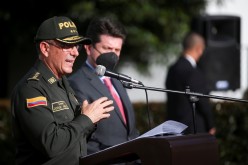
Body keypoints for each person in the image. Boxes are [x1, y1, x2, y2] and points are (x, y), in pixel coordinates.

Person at [11, 16, 114, 165]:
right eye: (67, 46)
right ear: (45, 48)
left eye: (76, 46)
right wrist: (86, 119)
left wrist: (91, 121)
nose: (75, 53)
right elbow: (52, 144)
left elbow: (72, 139)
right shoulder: (31, 89)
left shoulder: (62, 82)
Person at [68, 16, 140, 157]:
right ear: (88, 48)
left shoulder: (117, 79)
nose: (113, 55)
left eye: (117, 50)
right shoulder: (76, 83)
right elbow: (86, 139)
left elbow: (130, 132)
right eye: (107, 48)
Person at [165, 32, 216, 135]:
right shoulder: (192, 71)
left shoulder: (172, 69)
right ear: (199, 48)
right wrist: (210, 124)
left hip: (173, 128)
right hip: (193, 129)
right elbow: (202, 101)